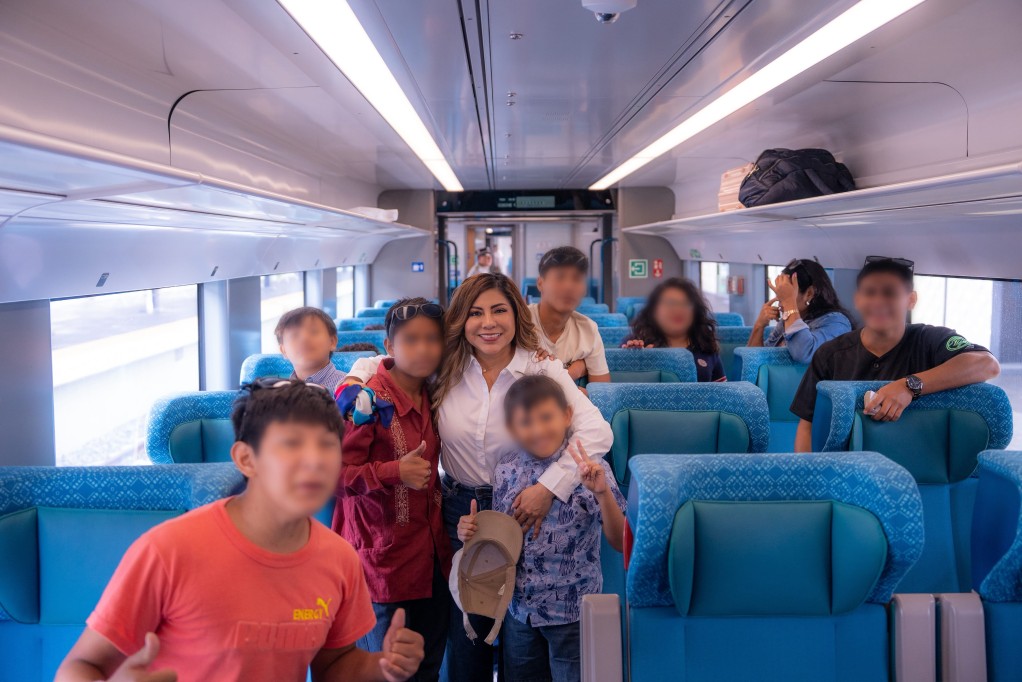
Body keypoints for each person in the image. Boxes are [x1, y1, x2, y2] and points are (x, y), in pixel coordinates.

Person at [56, 379, 425, 682]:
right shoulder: (168, 550)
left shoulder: (339, 557)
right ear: (246, 459)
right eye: (292, 445)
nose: (314, 461)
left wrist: (383, 665)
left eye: (326, 446)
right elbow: (79, 667)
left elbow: (334, 665)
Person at [344, 273, 613, 682]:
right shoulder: (445, 365)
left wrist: (547, 487)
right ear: (461, 321)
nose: (489, 323)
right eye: (476, 313)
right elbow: (386, 362)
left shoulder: (539, 367)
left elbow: (598, 432)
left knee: (522, 633)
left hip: (526, 510)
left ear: (516, 314)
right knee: (467, 633)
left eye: (499, 310)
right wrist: (355, 376)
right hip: (458, 511)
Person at [457, 375, 625, 682]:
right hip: (521, 609)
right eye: (526, 422)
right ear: (511, 429)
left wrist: (602, 494)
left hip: (572, 611)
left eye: (546, 418)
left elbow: (619, 541)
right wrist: (470, 530)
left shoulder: (588, 467)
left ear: (567, 417)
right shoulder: (506, 468)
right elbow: (501, 538)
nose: (537, 430)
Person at [334, 297, 452, 682]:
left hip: (432, 556)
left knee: (428, 667)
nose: (423, 349)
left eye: (433, 339)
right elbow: (335, 476)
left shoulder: (434, 392)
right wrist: (392, 471)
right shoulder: (365, 401)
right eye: (411, 339)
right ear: (390, 346)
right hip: (382, 563)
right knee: (388, 672)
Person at [791, 256, 1001, 452]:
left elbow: (986, 364)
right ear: (858, 299)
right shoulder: (830, 354)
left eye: (890, 293)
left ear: (911, 300)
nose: (878, 302)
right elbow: (808, 426)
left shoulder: (929, 340)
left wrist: (909, 386)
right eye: (870, 293)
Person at [747, 259, 855, 363]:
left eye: (786, 294)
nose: (781, 303)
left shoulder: (837, 322)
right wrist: (759, 326)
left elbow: (804, 354)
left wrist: (789, 303)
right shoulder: (788, 320)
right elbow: (752, 361)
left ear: (809, 294)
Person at [530, 246, 610, 385]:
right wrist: (572, 372)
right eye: (560, 277)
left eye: (577, 278)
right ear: (540, 283)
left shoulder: (588, 330)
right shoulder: (519, 322)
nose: (568, 286)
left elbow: (602, 393)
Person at [622, 277, 725, 382]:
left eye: (686, 303)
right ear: (654, 310)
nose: (678, 310)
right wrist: (633, 360)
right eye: (670, 303)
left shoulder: (705, 346)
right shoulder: (636, 343)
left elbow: (722, 394)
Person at [276, 306, 345, 391]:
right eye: (294, 335)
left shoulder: (349, 389)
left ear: (332, 342)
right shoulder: (278, 393)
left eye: (314, 331)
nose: (304, 338)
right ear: (283, 350)